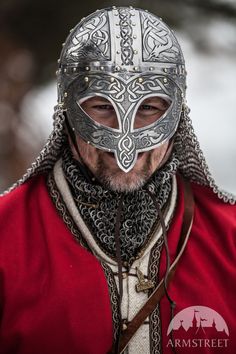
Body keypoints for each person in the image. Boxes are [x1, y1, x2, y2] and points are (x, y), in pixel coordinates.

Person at [0, 6, 235, 354]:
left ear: (178, 113)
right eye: (100, 106)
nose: (126, 141)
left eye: (149, 108)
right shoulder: (6, 237)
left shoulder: (230, 238)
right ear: (68, 109)